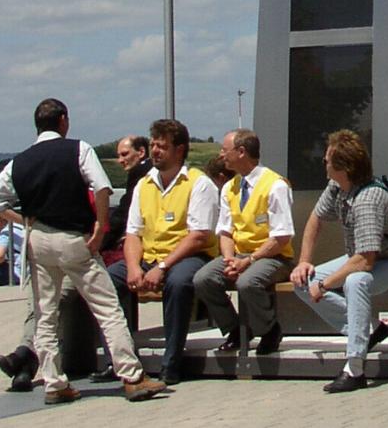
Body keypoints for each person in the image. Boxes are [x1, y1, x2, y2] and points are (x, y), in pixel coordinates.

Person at [0, 97, 165, 404]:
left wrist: (25, 219)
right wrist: (100, 226)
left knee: (46, 315)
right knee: (107, 308)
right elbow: (102, 187)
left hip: (38, 239)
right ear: (63, 120)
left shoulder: (19, 161)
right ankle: (132, 375)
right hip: (73, 237)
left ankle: (55, 383)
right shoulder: (78, 149)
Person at [291, 129, 388, 394]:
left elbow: (365, 261)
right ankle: (370, 330)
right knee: (302, 282)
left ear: (344, 167)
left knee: (355, 281)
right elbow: (316, 219)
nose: (323, 163)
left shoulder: (368, 200)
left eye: (328, 160)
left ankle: (355, 368)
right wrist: (304, 262)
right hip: (361, 256)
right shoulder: (337, 187)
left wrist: (325, 285)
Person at [105, 118, 219, 385]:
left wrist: (163, 267)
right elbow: (133, 232)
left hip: (189, 256)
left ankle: (172, 361)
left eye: (162, 146)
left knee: (178, 284)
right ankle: (121, 358)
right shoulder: (144, 184)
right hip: (150, 257)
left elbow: (198, 236)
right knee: (108, 279)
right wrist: (134, 267)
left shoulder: (198, 183)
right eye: (154, 145)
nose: (155, 151)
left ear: (179, 150)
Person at [193, 129, 294, 355]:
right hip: (239, 255)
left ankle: (269, 330)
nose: (221, 155)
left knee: (247, 282)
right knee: (203, 279)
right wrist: (229, 259)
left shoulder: (275, 185)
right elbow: (226, 231)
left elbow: (281, 237)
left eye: (224, 150)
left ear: (241, 152)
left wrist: (249, 260)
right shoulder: (230, 187)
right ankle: (235, 330)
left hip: (274, 256)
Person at [101, 136, 152, 260]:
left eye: (124, 154)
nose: (120, 160)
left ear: (141, 152)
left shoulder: (139, 173)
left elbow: (124, 212)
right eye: (119, 156)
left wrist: (102, 243)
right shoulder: (152, 170)